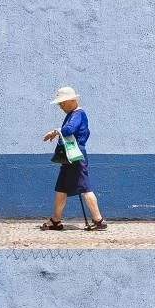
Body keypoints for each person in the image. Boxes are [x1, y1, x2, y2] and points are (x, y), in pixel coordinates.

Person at [40, 85, 108, 232]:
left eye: (62, 103)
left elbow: (69, 129)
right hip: (70, 156)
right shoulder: (73, 114)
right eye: (60, 103)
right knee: (61, 188)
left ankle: (98, 220)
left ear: (72, 100)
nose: (61, 106)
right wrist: (57, 132)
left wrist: (55, 131)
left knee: (84, 188)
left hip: (75, 156)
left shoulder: (78, 114)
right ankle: (56, 220)